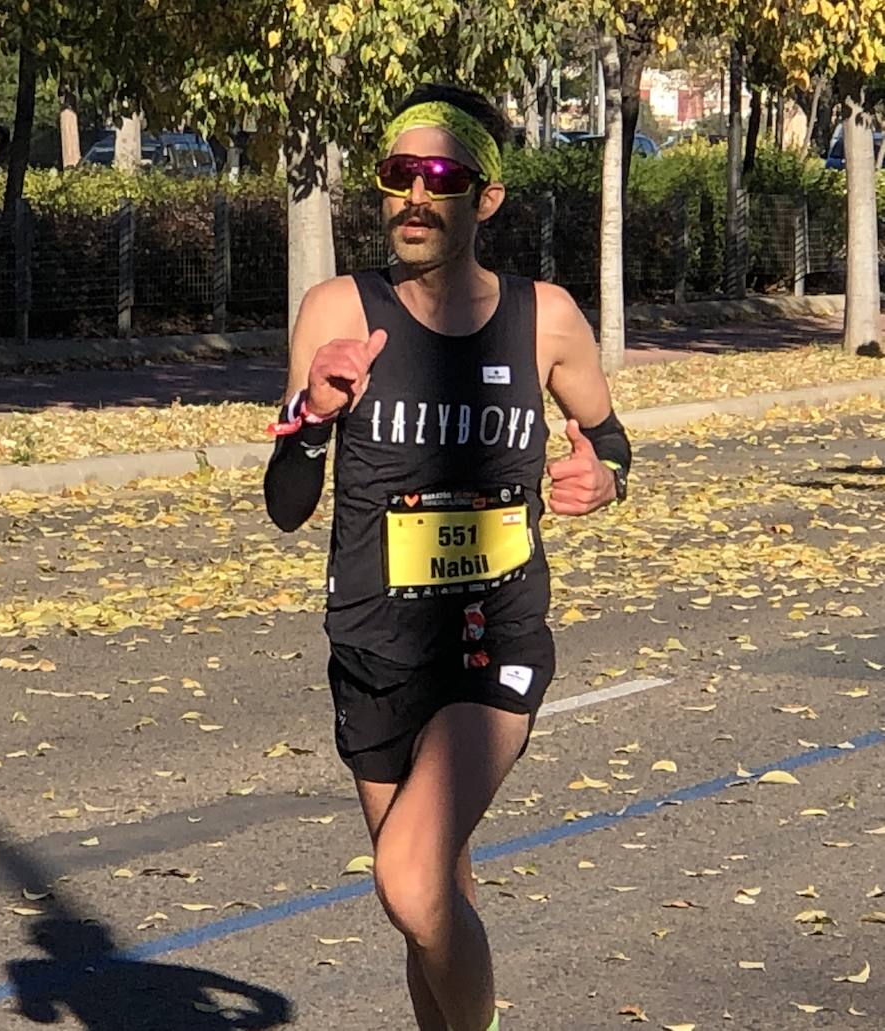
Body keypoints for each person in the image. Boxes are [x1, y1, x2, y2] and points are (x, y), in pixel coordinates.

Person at [263, 83, 631, 1031]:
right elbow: (287, 504)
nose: (417, 197)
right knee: (431, 907)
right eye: (399, 176)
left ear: (487, 197)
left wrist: (606, 478)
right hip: (374, 644)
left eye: (443, 177)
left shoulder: (545, 317)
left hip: (492, 636)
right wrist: (313, 419)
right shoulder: (338, 309)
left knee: (411, 878)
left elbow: (612, 440)